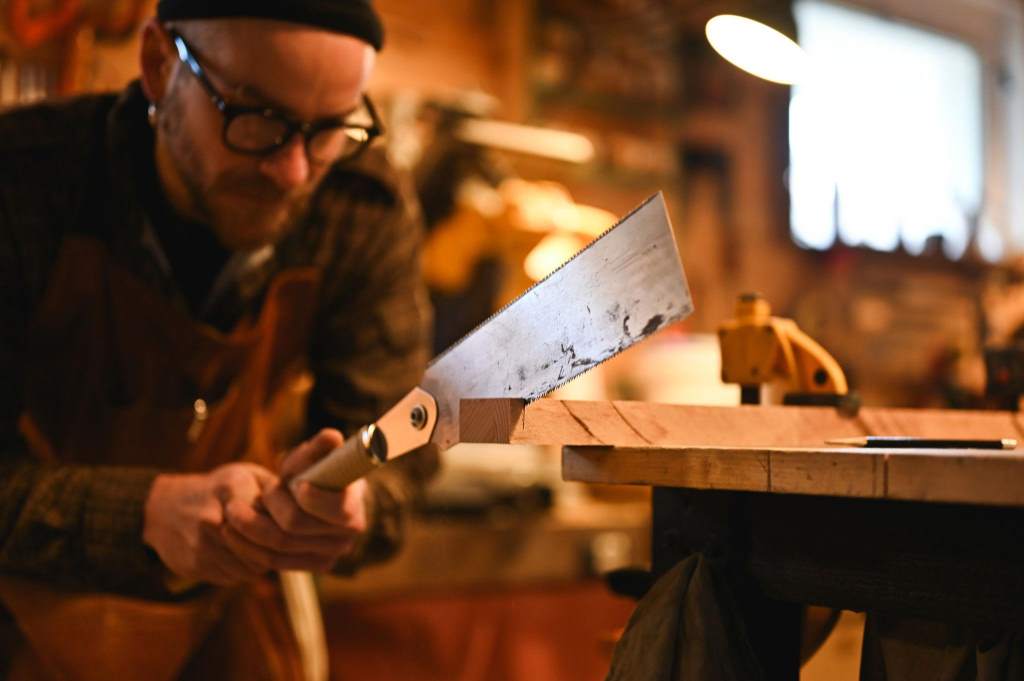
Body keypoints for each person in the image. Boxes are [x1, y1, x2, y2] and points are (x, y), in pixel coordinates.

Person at [0, 1, 435, 678]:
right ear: (159, 66)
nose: (293, 171)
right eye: (255, 117)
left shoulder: (358, 203)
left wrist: (352, 501)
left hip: (221, 634)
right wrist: (140, 512)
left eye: (326, 130)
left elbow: (403, 454)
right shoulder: (25, 182)